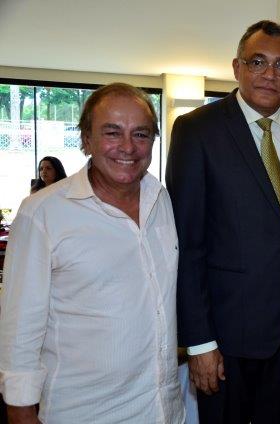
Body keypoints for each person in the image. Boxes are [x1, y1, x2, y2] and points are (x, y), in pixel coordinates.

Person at [166, 20, 280, 424]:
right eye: (258, 62)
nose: (270, 74)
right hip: (227, 338)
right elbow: (186, 243)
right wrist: (200, 343)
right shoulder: (197, 130)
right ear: (237, 67)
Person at [0, 83, 184, 423]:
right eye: (112, 133)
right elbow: (20, 327)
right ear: (86, 140)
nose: (128, 146)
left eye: (140, 134)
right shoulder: (42, 212)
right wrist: (20, 410)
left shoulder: (162, 200)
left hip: (163, 409)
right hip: (84, 411)